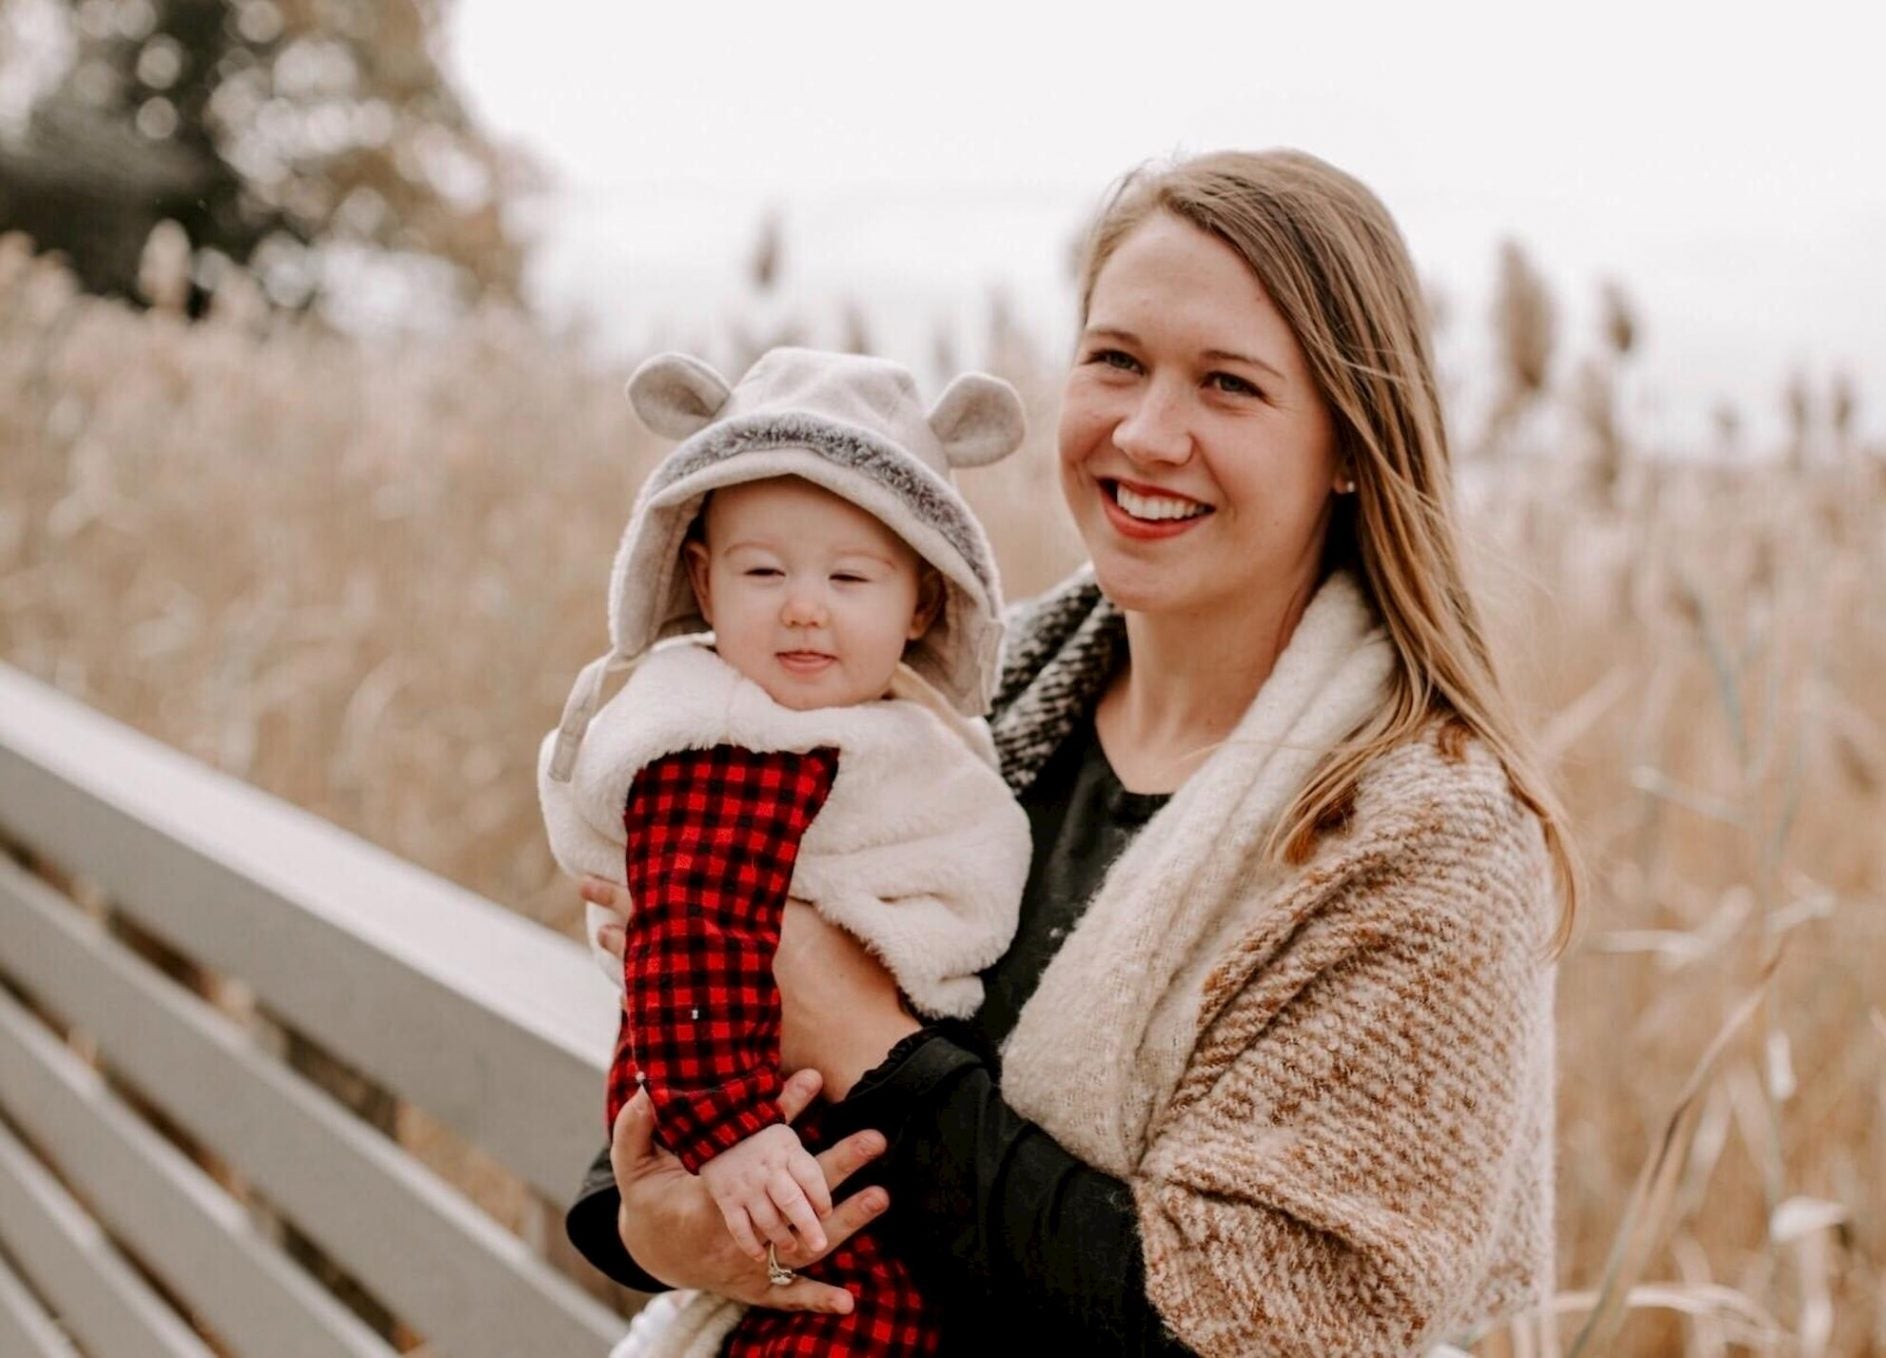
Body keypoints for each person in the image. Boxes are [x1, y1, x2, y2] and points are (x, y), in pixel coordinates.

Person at [568, 148, 1579, 1357]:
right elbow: (695, 1028)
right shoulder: (955, 696)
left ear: (1353, 445)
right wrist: (656, 1224)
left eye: (1229, 385)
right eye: (1116, 360)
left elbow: (1259, 1326)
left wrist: (861, 1041)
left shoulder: (1425, 838)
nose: (1148, 432)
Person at [538, 347, 1034, 1356]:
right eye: (763, 571)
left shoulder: (886, 730)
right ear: (702, 579)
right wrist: (732, 1123)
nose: (803, 605)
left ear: (923, 603)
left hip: (804, 1117)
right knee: (848, 1321)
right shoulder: (731, 740)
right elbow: (696, 927)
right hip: (760, 1109)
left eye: (850, 576)